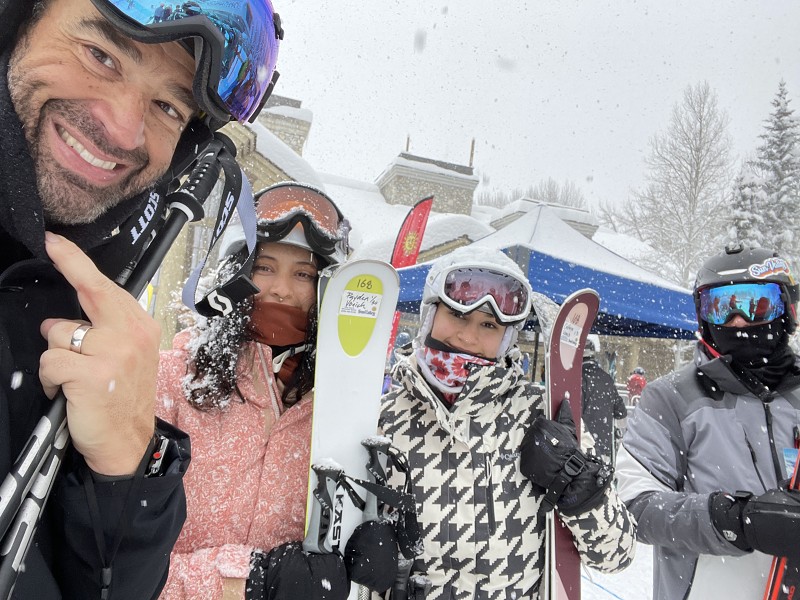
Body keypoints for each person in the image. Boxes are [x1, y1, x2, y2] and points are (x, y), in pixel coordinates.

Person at [0, 0, 282, 597]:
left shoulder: (95, 310)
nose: (124, 130)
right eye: (101, 55)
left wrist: (127, 469)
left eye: (168, 106)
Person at [379, 247, 636, 599]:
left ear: (508, 337)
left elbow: (617, 554)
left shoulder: (542, 416)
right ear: (429, 314)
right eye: (457, 314)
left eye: (489, 325)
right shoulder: (385, 418)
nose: (469, 337)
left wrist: (580, 487)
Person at [156, 182, 353, 600]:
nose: (282, 289)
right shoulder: (171, 381)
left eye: (303, 274)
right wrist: (245, 582)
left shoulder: (337, 409)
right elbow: (121, 564)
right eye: (265, 267)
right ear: (237, 275)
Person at [616, 244, 800, 600]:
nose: (738, 320)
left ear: (786, 310)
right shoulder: (673, 397)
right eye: (720, 308)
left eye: (756, 304)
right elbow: (632, 504)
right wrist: (729, 520)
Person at [581, 336, 628, 464]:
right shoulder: (606, 378)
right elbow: (621, 412)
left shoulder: (577, 378)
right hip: (604, 444)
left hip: (583, 443)